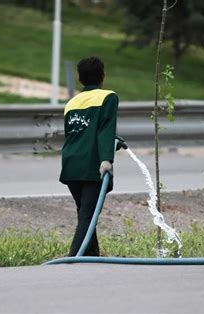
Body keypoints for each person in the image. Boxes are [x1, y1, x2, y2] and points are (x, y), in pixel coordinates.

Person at [59, 56, 118, 257]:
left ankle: (92, 255)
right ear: (103, 76)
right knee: (87, 215)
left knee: (85, 212)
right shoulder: (108, 97)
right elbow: (104, 128)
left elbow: (78, 134)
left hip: (70, 164)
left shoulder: (71, 102)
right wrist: (106, 159)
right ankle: (73, 258)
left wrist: (112, 142)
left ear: (79, 78)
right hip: (91, 165)